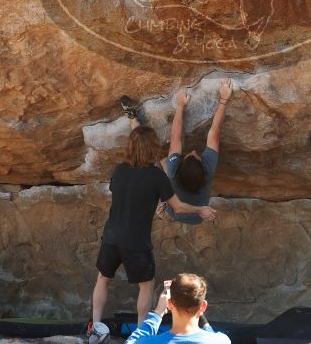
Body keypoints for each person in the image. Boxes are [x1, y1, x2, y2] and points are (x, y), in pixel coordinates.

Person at [88, 118, 218, 344]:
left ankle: (96, 328)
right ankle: (141, 332)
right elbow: (177, 206)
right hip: (137, 242)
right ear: (152, 147)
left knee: (103, 278)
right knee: (146, 287)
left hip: (111, 238)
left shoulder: (119, 170)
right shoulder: (156, 177)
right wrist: (200, 209)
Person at [159, 79, 232, 224]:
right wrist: (223, 99)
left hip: (175, 212)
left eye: (188, 155)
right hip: (197, 217)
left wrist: (180, 106)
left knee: (161, 161)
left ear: (179, 166)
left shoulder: (173, 171)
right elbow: (215, 131)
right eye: (196, 155)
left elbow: (175, 138)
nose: (193, 151)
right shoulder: (208, 169)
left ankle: (162, 204)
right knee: (167, 160)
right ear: (204, 169)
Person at [126, 273, 230, 343]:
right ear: (203, 306)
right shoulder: (222, 340)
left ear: (169, 304)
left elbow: (131, 341)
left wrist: (158, 313)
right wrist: (207, 326)